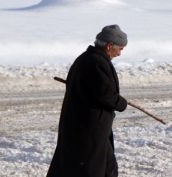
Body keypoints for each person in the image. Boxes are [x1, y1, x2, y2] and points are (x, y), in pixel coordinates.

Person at [47, 24, 128, 177]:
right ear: (110, 46)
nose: (120, 53)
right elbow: (104, 94)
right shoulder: (96, 62)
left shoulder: (87, 59)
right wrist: (120, 103)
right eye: (120, 49)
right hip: (88, 129)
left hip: (88, 127)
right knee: (89, 168)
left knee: (106, 167)